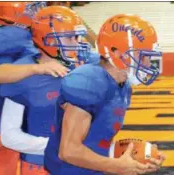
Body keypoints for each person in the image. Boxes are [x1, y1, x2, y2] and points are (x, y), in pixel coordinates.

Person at [44, 14, 166, 175]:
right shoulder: (89, 82)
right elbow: (68, 150)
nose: (147, 64)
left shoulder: (123, 84)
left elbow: (98, 137)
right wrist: (117, 166)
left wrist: (137, 156)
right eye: (141, 56)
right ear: (115, 52)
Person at [0, 6, 100, 175]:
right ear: (49, 40)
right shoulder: (21, 74)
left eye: (77, 37)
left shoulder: (87, 64)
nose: (77, 44)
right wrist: (61, 145)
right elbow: (9, 136)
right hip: (41, 165)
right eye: (70, 38)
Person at [0, 2, 69, 175]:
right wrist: (37, 68)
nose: (37, 11)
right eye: (31, 7)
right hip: (0, 119)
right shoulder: (9, 35)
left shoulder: (17, 33)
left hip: (22, 115)